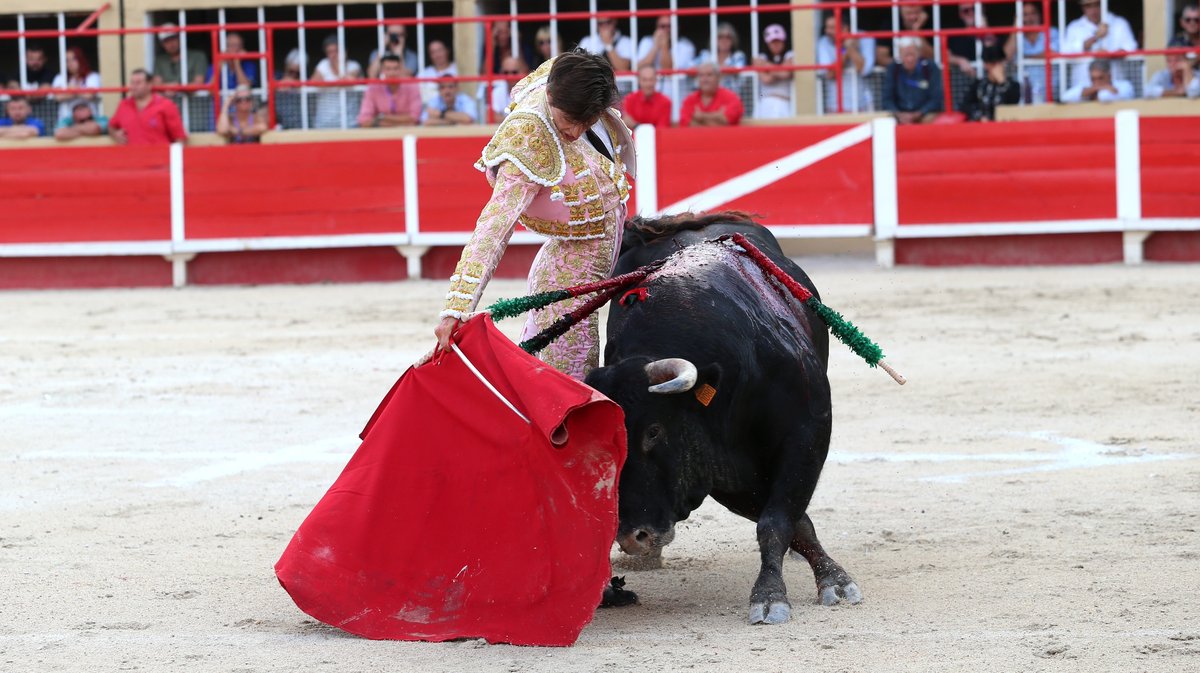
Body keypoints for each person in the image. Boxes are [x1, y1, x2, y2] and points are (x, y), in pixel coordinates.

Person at [433, 49, 635, 381]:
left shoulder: (564, 76)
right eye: (570, 119)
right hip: (575, 255)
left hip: (596, 236)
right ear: (552, 97)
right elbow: (493, 229)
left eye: (587, 120)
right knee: (567, 367)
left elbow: (577, 67)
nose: (576, 131)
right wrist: (456, 308)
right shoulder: (527, 142)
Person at [1062, 0, 1138, 87]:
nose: (1093, 10)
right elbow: (1065, 52)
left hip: (1115, 86)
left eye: (1097, 5)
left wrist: (1110, 55)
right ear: (1082, 7)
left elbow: (1131, 48)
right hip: (1083, 86)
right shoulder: (1074, 27)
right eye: (1088, 6)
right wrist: (1095, 38)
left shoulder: (1119, 23)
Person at [109, 68, 187, 145]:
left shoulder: (166, 105)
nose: (134, 86)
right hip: (131, 157)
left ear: (149, 85)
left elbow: (180, 138)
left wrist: (174, 157)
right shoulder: (124, 105)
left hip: (159, 156)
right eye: (132, 82)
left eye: (138, 82)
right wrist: (115, 134)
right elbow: (111, 126)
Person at [817, 13, 875, 113]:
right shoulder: (824, 42)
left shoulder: (865, 37)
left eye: (832, 28)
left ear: (845, 28)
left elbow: (865, 70)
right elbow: (830, 73)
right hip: (835, 106)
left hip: (862, 104)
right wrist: (846, 49)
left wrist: (850, 48)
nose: (827, 31)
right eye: (827, 27)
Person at [1004, 2, 1059, 104]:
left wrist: (1024, 58)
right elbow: (1006, 56)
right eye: (1025, 14)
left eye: (1033, 13)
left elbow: (1052, 53)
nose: (1030, 18)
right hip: (1023, 97)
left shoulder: (1052, 32)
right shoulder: (1017, 37)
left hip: (1050, 95)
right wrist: (1015, 29)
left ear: (1040, 15)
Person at [881, 37, 944, 123]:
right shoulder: (893, 69)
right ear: (900, 55)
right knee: (886, 121)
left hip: (925, 114)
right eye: (906, 55)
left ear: (919, 54)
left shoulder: (930, 68)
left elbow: (936, 98)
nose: (909, 59)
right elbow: (887, 99)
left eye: (912, 54)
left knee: (932, 120)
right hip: (899, 114)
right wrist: (898, 114)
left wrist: (919, 113)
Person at [311, 34, 363, 129]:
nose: (333, 55)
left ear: (345, 51)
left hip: (350, 122)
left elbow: (348, 81)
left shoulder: (354, 65)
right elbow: (313, 83)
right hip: (325, 123)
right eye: (330, 52)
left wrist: (338, 65)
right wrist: (338, 83)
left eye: (336, 51)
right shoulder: (322, 65)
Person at [358, 54, 423, 127]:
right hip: (382, 134)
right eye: (388, 69)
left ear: (401, 70)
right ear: (382, 71)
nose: (392, 73)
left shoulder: (412, 86)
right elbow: (364, 120)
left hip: (407, 134)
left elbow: (415, 118)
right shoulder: (373, 89)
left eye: (396, 68)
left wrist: (382, 117)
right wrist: (404, 122)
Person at [959, 46, 1020, 121]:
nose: (997, 67)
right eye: (993, 63)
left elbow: (1013, 104)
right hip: (982, 127)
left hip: (1004, 127)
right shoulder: (978, 85)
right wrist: (980, 116)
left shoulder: (1013, 85)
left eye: (1000, 63)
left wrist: (1002, 82)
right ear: (986, 65)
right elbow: (965, 105)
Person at [680, 62, 743, 127]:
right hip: (696, 137)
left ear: (718, 78)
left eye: (709, 75)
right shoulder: (689, 100)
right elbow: (686, 124)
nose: (705, 79)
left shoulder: (731, 97)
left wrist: (701, 117)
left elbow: (727, 122)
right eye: (701, 75)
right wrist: (717, 116)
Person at [754, 24, 794, 119]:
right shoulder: (761, 57)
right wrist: (780, 69)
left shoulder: (790, 55)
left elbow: (785, 73)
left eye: (778, 41)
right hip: (765, 102)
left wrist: (766, 66)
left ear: (784, 41)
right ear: (767, 44)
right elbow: (766, 79)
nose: (776, 44)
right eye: (772, 42)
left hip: (784, 102)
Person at [50, 46, 102, 120]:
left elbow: (89, 95)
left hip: (90, 118)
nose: (70, 63)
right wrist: (80, 91)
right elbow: (58, 97)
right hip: (66, 119)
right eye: (67, 60)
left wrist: (70, 90)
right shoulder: (60, 78)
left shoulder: (93, 76)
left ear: (81, 59)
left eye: (74, 59)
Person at [153, 23, 209, 87]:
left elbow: (198, 83)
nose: (171, 43)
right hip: (165, 96)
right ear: (162, 44)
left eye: (173, 38)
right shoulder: (160, 60)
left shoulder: (198, 56)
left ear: (180, 38)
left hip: (191, 96)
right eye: (166, 41)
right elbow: (157, 84)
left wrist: (176, 87)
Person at [695, 21, 748, 91]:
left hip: (730, 96)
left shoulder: (738, 56)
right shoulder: (706, 55)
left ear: (733, 40)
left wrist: (707, 72)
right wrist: (721, 71)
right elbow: (689, 69)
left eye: (728, 37)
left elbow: (737, 70)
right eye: (720, 37)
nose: (724, 40)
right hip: (708, 95)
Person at [478, 56, 529, 122]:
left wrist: (503, 119)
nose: (510, 76)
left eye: (514, 72)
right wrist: (516, 119)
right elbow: (489, 117)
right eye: (506, 73)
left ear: (524, 72)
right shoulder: (498, 91)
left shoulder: (530, 90)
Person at [1061, 58, 1134, 102]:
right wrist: (1096, 88)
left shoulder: (1125, 86)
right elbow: (1065, 97)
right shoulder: (1088, 87)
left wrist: (1093, 91)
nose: (1097, 82)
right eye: (1093, 79)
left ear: (1109, 75)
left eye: (1100, 78)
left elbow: (1104, 97)